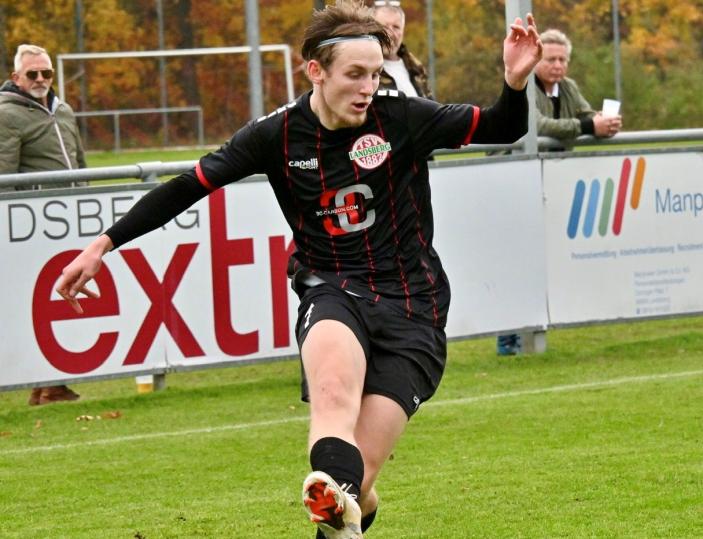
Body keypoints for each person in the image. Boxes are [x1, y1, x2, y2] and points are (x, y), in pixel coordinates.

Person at [54, 2, 541, 537]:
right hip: (333, 290)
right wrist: (103, 244)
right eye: (355, 74)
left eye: (375, 73)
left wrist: (515, 83)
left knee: (355, 485)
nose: (367, 86)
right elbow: (187, 188)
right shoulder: (276, 135)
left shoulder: (401, 115)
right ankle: (338, 498)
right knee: (332, 402)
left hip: (413, 308)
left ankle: (347, 503)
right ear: (316, 71)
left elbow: (502, 127)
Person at [496, 28, 621, 356]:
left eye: (563, 59)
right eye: (550, 59)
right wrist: (586, 128)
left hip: (551, 182)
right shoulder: (522, 86)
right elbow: (536, 126)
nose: (557, 65)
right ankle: (508, 335)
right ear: (537, 61)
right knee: (516, 257)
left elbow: (583, 114)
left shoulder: (568, 87)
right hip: (514, 179)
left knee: (545, 257)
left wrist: (602, 122)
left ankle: (540, 322)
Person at [0, 43, 86, 405]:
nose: (40, 79)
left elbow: (80, 161)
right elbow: (4, 171)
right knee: (42, 299)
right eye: (32, 74)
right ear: (16, 77)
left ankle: (48, 384)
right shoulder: (6, 114)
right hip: (34, 222)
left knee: (61, 296)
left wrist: (85, 194)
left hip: (69, 216)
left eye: (45, 73)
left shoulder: (63, 109)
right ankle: (48, 382)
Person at [369, 0, 430, 98]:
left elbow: (433, 108)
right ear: (371, 30)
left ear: (403, 31)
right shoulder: (366, 70)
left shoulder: (416, 68)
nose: (390, 34)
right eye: (383, 27)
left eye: (396, 27)